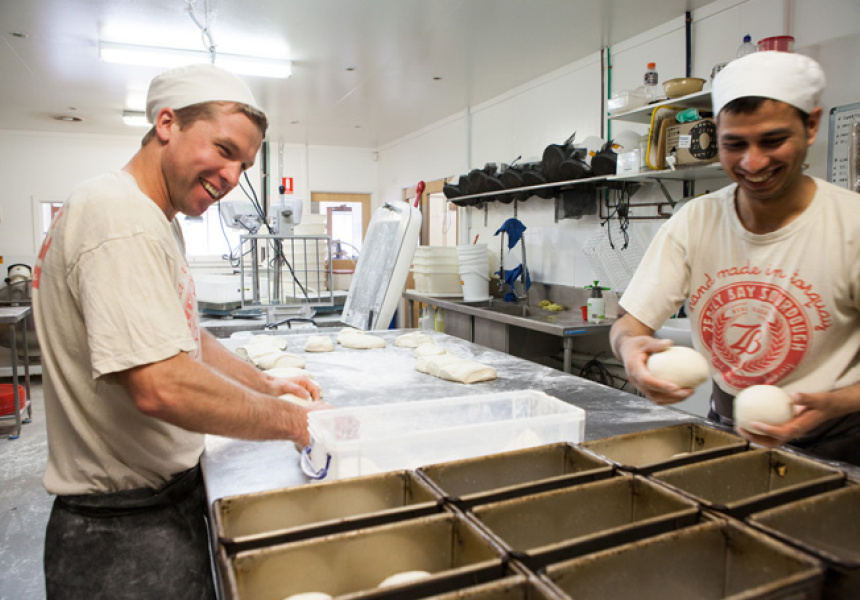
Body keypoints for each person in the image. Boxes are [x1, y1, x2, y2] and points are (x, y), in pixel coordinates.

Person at [32, 63, 331, 599]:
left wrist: (265, 384)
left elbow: (186, 338)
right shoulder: (119, 217)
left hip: (153, 511)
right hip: (123, 533)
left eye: (244, 165)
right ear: (167, 124)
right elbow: (161, 385)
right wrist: (293, 422)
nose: (232, 176)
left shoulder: (153, 219)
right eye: (223, 149)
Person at [610, 51, 860, 467]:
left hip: (841, 443)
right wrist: (629, 349)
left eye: (773, 141)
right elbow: (629, 324)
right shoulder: (696, 220)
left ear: (812, 125)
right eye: (734, 144)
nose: (753, 162)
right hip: (728, 429)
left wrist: (838, 402)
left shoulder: (851, 225)